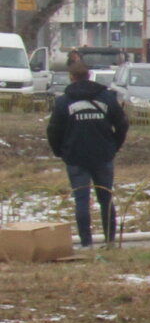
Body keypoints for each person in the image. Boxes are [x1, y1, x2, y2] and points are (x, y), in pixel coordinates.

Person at [45, 56, 128, 248]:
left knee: (81, 200)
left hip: (75, 157)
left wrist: (61, 152)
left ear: (71, 77)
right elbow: (122, 124)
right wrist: (113, 146)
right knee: (106, 198)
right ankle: (110, 241)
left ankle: (86, 242)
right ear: (89, 75)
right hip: (103, 155)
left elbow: (53, 130)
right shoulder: (107, 97)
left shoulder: (64, 101)